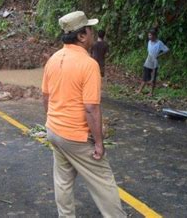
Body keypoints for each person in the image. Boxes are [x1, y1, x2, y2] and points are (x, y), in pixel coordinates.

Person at [42, 11, 126, 217]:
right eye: (90, 30)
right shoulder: (88, 64)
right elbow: (91, 108)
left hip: (54, 130)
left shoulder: (53, 59)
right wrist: (98, 142)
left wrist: (52, 122)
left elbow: (45, 97)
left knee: (62, 180)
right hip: (76, 136)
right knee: (103, 181)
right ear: (81, 36)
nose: (92, 33)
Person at [136, 29, 169, 96]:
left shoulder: (159, 43)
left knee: (153, 78)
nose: (149, 36)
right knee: (145, 76)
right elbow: (149, 52)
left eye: (150, 35)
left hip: (154, 61)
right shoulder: (149, 42)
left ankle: (151, 92)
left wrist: (159, 55)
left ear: (154, 36)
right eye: (148, 35)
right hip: (148, 60)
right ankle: (140, 90)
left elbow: (167, 50)